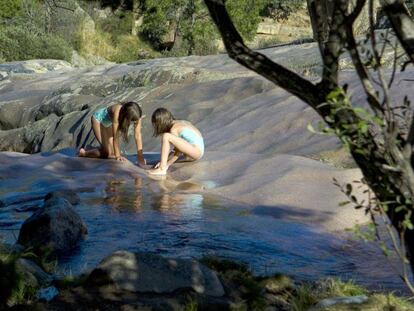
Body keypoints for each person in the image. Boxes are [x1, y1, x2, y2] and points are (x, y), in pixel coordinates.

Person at [78, 101, 146, 166]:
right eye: (132, 121)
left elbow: (137, 135)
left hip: (108, 124)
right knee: (107, 153)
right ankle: (83, 153)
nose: (135, 122)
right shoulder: (117, 111)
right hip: (99, 120)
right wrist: (118, 156)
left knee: (112, 154)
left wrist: (140, 156)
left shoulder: (137, 114)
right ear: (126, 117)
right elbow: (115, 136)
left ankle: (97, 148)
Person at [148, 107, 204, 175]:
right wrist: (163, 161)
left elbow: (178, 151)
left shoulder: (173, 129)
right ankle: (162, 165)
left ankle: (161, 169)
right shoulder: (180, 122)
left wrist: (166, 165)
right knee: (168, 140)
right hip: (198, 149)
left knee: (166, 136)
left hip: (196, 151)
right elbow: (178, 148)